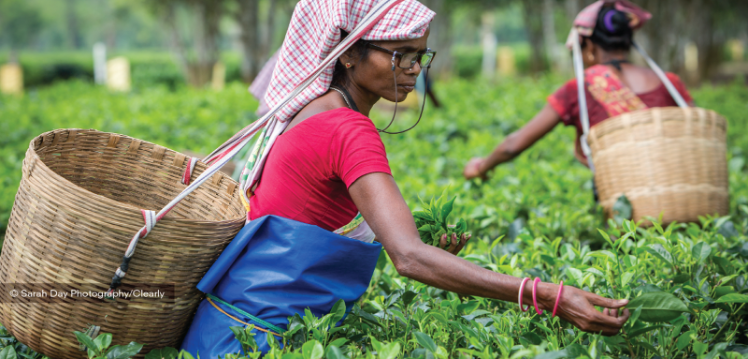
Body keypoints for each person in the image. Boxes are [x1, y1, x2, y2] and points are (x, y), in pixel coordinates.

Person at [181, 1, 629, 356]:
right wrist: (548, 295)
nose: (415, 69)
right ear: (350, 55)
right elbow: (410, 259)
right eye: (401, 56)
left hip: (225, 328)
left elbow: (310, 213)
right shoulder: (349, 129)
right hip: (261, 340)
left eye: (420, 56)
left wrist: (416, 234)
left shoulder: (310, 110)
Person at [463, 0, 694, 181]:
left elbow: (514, 145)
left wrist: (481, 167)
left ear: (590, 48)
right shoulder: (669, 82)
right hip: (681, 193)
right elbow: (697, 132)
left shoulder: (579, 88)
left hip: (625, 211)